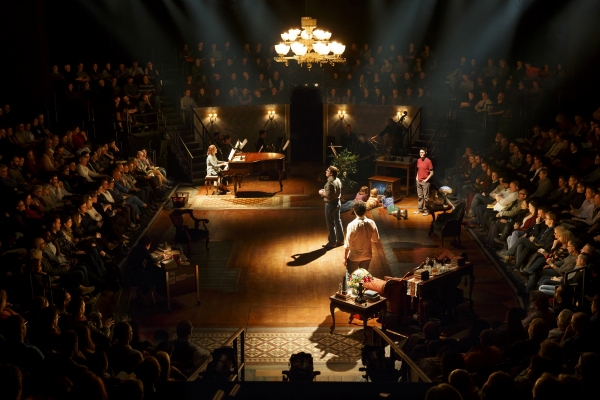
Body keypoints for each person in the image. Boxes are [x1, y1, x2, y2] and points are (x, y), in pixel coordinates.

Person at [343, 200, 380, 272]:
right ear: (365, 210)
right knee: (363, 278)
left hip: (354, 256)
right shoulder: (371, 223)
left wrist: (345, 258)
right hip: (367, 255)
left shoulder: (352, 225)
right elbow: (376, 239)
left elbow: (348, 244)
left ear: (355, 211)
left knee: (351, 279)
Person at [319, 166, 344, 248]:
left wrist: (322, 193)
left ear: (331, 173)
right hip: (337, 202)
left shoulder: (330, 183)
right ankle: (340, 240)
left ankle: (332, 242)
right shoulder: (337, 180)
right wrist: (325, 191)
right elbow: (334, 191)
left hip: (330, 204)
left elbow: (329, 195)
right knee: (338, 221)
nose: (326, 171)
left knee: (330, 224)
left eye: (327, 170)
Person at [415, 148, 433, 216]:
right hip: (419, 181)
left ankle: (426, 210)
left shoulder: (428, 161)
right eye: (420, 152)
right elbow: (418, 170)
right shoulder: (418, 160)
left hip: (425, 182)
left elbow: (432, 173)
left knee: (426, 197)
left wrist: (426, 180)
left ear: (425, 153)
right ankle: (420, 209)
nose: (421, 154)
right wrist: (417, 177)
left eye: (422, 152)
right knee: (420, 196)